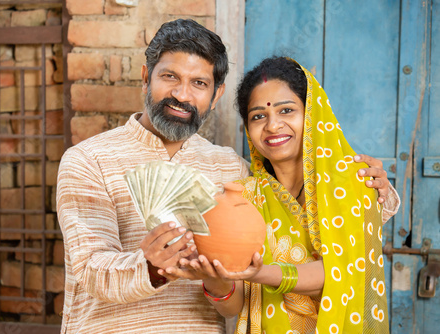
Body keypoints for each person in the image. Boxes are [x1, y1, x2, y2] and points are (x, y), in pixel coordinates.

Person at [57, 19, 398, 333]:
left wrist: (375, 190)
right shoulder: (88, 161)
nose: (182, 94)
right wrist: (151, 266)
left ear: (216, 94)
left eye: (199, 83)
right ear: (146, 76)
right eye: (170, 77)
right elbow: (89, 270)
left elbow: (304, 221)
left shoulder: (231, 170)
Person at [161, 56, 397, 333]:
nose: (272, 125)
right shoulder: (246, 197)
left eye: (286, 111)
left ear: (312, 115)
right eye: (258, 116)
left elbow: (339, 271)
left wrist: (260, 273)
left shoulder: (355, 179)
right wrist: (214, 278)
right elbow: (233, 306)